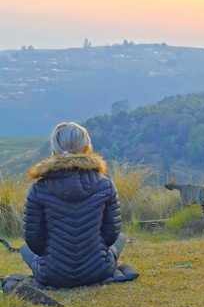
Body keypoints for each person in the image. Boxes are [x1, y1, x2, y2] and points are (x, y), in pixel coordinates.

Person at [18, 121, 126, 288]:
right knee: (121, 238)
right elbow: (111, 233)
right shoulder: (105, 185)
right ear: (85, 146)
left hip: (52, 275)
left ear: (54, 148)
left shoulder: (38, 189)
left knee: (24, 248)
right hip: (98, 270)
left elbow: (33, 240)